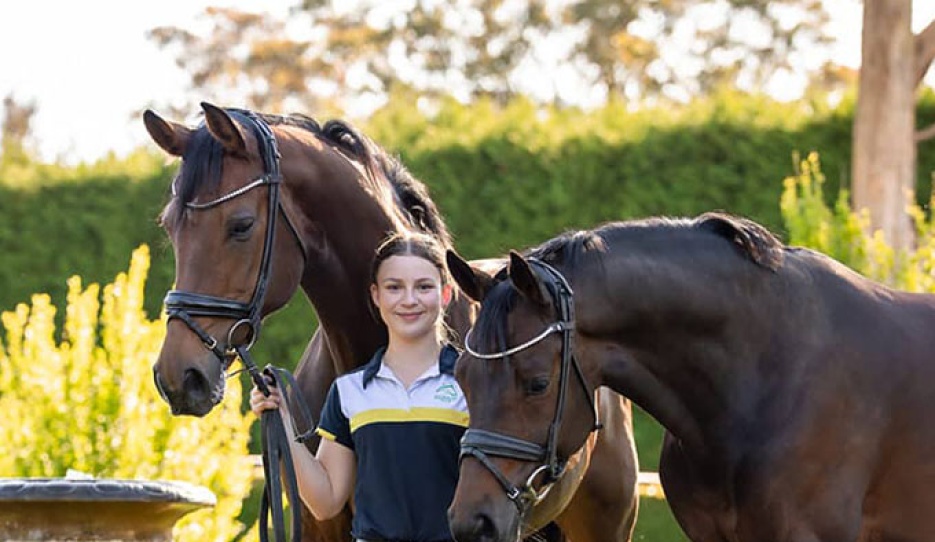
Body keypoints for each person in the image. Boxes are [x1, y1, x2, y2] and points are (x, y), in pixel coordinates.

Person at [250, 232, 467, 542]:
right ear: (376, 296)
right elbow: (325, 502)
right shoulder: (349, 391)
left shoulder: (473, 382)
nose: (409, 300)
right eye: (394, 287)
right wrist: (281, 421)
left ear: (445, 294)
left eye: (424, 287)